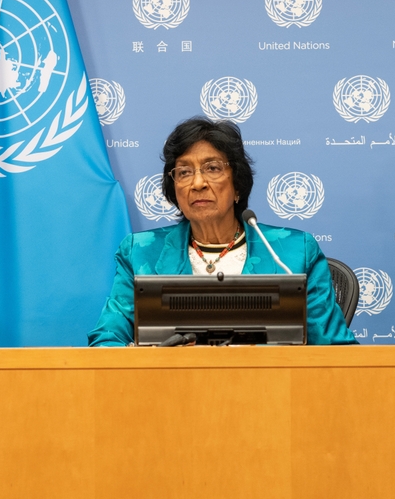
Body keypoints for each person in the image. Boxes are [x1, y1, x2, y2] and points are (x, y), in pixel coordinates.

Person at [88, 117, 355, 346]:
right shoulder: (140, 253)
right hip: (171, 394)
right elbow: (107, 339)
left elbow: (336, 349)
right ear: (174, 189)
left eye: (212, 168)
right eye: (184, 172)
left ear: (237, 185)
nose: (198, 182)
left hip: (273, 396)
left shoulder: (295, 253)